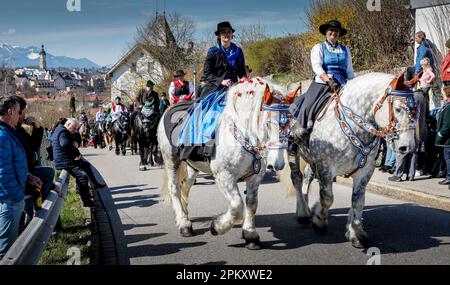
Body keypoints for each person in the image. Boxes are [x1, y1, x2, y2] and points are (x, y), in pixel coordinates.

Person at [178, 21, 246, 161]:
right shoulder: (213, 51)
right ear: (219, 35)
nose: (226, 35)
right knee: (203, 112)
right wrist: (221, 81)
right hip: (215, 88)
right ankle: (201, 147)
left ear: (232, 34)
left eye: (228, 32)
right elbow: (207, 74)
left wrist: (246, 80)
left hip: (234, 87)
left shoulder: (238, 51)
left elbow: (241, 71)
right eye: (223, 33)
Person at [290, 20, 355, 141]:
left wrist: (355, 86)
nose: (334, 33)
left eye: (336, 31)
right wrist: (329, 80)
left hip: (344, 83)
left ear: (339, 33)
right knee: (307, 105)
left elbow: (350, 71)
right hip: (323, 82)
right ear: (326, 32)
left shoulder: (346, 50)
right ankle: (296, 137)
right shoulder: (319, 47)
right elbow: (317, 67)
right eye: (331, 30)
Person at [0, 96, 42, 260]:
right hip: (10, 200)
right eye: (19, 112)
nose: (20, 116)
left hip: (13, 198)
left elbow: (13, 164)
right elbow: (2, 172)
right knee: (7, 251)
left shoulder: (8, 132)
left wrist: (28, 176)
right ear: (10, 111)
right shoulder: (2, 136)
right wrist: (16, 197)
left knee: (12, 245)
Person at [13, 97, 57, 229]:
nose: (26, 114)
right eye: (24, 111)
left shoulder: (19, 129)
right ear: (17, 112)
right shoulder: (12, 131)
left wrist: (37, 127)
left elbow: (33, 146)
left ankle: (38, 210)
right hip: (21, 176)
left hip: (28, 173)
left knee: (48, 172)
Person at [51, 118, 94, 207]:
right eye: (74, 129)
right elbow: (65, 144)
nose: (74, 131)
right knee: (83, 177)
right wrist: (76, 153)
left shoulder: (60, 129)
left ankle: (83, 190)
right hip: (64, 161)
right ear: (68, 125)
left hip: (64, 160)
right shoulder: (63, 132)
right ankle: (86, 201)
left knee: (85, 165)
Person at [436, 86, 450, 187]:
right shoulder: (447, 105)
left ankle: (449, 177)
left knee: (448, 159)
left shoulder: (449, 107)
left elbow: (447, 124)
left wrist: (440, 134)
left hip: (448, 139)